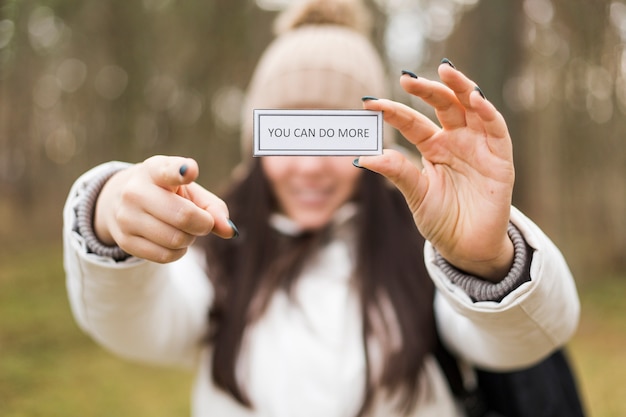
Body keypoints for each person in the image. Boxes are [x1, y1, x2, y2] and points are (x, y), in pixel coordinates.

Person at [63, 0, 580, 416]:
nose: (310, 165)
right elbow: (136, 327)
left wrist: (487, 262)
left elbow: (527, 341)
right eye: (288, 135)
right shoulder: (215, 245)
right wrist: (105, 214)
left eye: (334, 135)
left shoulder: (424, 242)